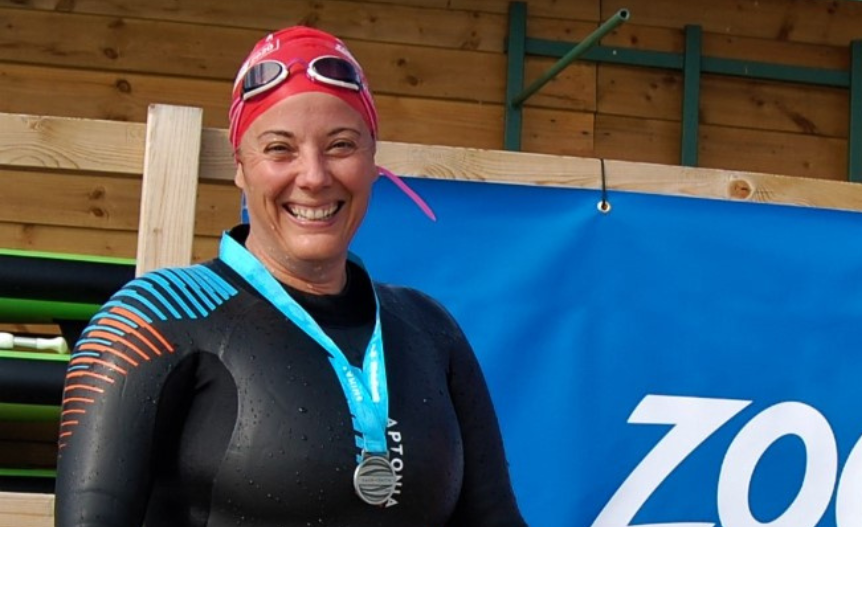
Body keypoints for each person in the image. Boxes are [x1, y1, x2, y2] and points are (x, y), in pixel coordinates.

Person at [54, 26, 525, 526]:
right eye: (280, 149)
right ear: (241, 166)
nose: (315, 176)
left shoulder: (430, 329)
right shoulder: (156, 316)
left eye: (341, 145)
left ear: (371, 161)